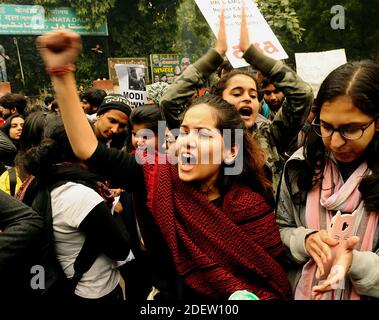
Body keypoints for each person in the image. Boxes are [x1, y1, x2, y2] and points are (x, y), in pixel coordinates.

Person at [36, 29, 292, 300]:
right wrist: (62, 72)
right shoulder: (156, 176)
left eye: (203, 134)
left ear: (230, 151)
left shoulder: (251, 207)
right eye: (184, 131)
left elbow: (272, 280)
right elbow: (88, 149)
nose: (187, 142)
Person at [160, 9, 313, 195]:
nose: (247, 98)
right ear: (219, 101)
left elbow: (302, 95)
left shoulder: (271, 136)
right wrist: (215, 56)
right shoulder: (200, 137)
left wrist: (252, 54)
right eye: (237, 93)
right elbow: (169, 102)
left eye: (253, 95)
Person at [276, 60, 379, 299]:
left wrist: (354, 262)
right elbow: (280, 229)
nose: (334, 142)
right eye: (326, 126)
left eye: (350, 129)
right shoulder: (299, 165)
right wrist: (305, 240)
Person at [21, 115, 131, 302]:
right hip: (94, 290)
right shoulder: (78, 194)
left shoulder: (42, 178)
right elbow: (120, 249)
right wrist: (114, 209)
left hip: (69, 284)